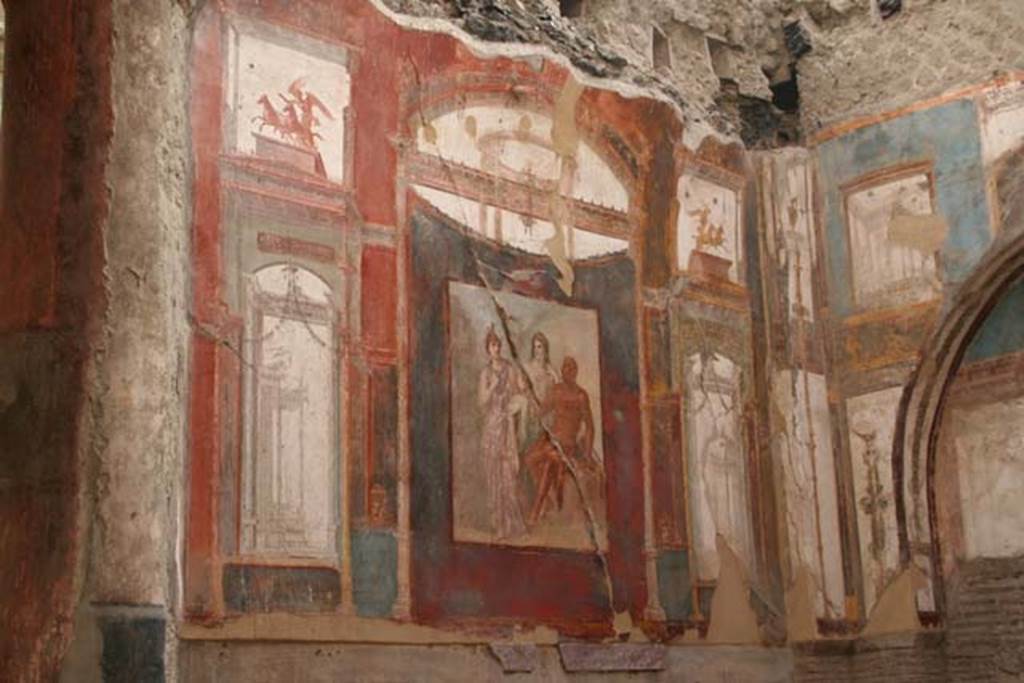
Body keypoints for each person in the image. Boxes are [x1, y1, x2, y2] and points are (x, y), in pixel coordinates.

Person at [524, 356, 597, 525]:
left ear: (576, 372)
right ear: (562, 371)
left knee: (550, 461)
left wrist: (587, 455)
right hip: (551, 440)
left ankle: (537, 509)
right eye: (565, 368)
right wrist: (531, 399)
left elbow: (590, 427)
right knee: (529, 458)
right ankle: (550, 499)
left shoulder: (581, 396)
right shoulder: (556, 390)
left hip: (568, 444)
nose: (568, 372)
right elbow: (542, 410)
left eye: (571, 369)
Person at [478, 327, 527, 540]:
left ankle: (513, 524)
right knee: (494, 475)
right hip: (491, 427)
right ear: (487, 350)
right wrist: (493, 387)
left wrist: (519, 397)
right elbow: (481, 402)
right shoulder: (486, 373)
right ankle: (498, 524)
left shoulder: (510, 368)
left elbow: (521, 391)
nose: (496, 349)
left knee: (509, 474)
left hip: (507, 426)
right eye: (492, 346)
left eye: (498, 345)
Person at [521, 332, 560, 447]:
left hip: (548, 416)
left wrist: (555, 376)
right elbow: (524, 391)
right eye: (534, 347)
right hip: (533, 413)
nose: (537, 350)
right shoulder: (527, 368)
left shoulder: (552, 370)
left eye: (540, 347)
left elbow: (558, 392)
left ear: (545, 349)